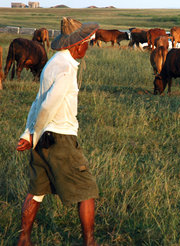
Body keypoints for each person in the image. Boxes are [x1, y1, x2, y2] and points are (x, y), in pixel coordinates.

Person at [16, 17, 99, 246]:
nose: (87, 48)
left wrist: (28, 133)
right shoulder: (65, 69)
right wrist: (34, 132)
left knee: (37, 191)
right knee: (87, 190)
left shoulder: (53, 63)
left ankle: (24, 240)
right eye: (86, 43)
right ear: (76, 44)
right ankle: (90, 244)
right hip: (60, 137)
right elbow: (47, 105)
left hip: (42, 138)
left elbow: (37, 101)